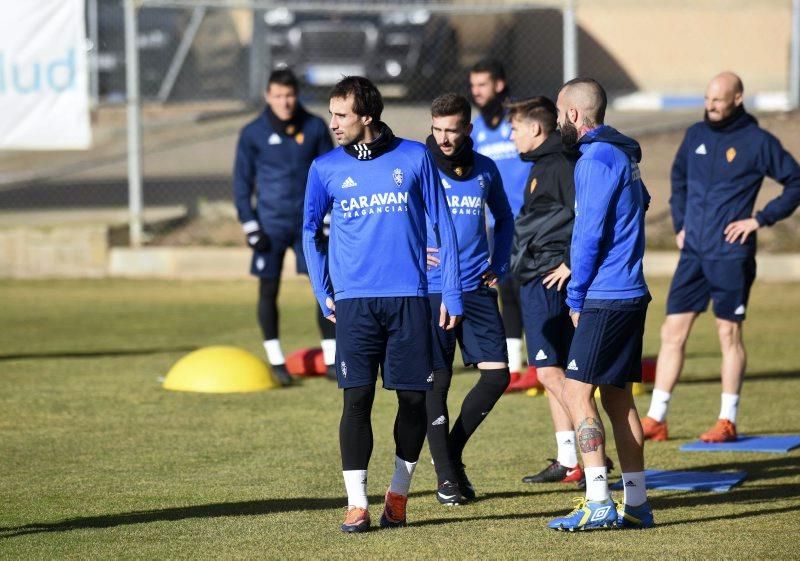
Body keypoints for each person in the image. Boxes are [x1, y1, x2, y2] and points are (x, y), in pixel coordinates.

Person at [302, 76, 463, 532]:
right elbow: (309, 230)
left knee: (413, 399)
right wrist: (321, 289)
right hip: (354, 304)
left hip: (410, 299)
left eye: (341, 115)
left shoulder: (415, 157)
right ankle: (356, 503)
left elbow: (443, 224)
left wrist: (449, 290)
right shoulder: (325, 167)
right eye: (331, 114)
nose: (332, 123)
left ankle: (397, 493)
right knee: (357, 400)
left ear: (366, 117)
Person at [641, 72, 800, 443]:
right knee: (672, 332)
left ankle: (727, 420)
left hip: (730, 254)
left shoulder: (758, 141)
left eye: (717, 99)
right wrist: (680, 224)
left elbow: (795, 181)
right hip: (693, 252)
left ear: (738, 98)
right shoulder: (695, 135)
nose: (709, 105)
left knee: (728, 332)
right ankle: (657, 418)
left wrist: (759, 219)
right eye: (707, 99)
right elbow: (678, 179)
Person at [548, 78, 654, 531]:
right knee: (617, 397)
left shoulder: (593, 159)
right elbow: (643, 202)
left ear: (574, 115)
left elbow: (587, 234)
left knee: (576, 391)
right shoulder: (624, 153)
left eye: (558, 114)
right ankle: (638, 503)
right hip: (632, 292)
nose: (556, 122)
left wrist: (576, 296)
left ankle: (597, 500)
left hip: (606, 296)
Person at [423, 93, 513, 505]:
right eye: (437, 129)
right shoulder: (418, 166)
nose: (443, 138)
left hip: (477, 287)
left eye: (451, 130)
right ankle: (445, 478)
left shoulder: (486, 169)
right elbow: (393, 217)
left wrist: (500, 262)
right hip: (433, 287)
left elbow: (506, 219)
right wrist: (412, 250)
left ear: (467, 131)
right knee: (437, 382)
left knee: (497, 375)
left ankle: (451, 453)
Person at [233, 68, 336, 385]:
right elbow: (241, 183)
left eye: (289, 95)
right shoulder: (252, 133)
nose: (284, 101)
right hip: (270, 226)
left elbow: (332, 172)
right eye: (278, 95)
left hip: (310, 225)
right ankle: (276, 360)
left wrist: (329, 218)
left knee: (325, 289)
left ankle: (333, 359)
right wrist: (250, 225)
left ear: (297, 95)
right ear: (268, 96)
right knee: (268, 290)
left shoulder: (316, 126)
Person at [505, 96, 584, 485]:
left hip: (549, 278)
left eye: (516, 128)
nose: (511, 135)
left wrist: (570, 262)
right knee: (550, 371)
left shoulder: (560, 164)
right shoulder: (543, 164)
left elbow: (587, 212)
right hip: (535, 275)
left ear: (536, 129)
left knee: (552, 372)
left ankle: (590, 454)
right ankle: (569, 459)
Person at [469, 59, 534, 388]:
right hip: (499, 223)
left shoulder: (518, 120)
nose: (476, 91)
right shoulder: (478, 128)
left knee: (531, 289)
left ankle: (544, 359)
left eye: (482, 84)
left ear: (499, 84)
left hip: (531, 219)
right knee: (505, 288)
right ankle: (515, 364)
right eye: (473, 85)